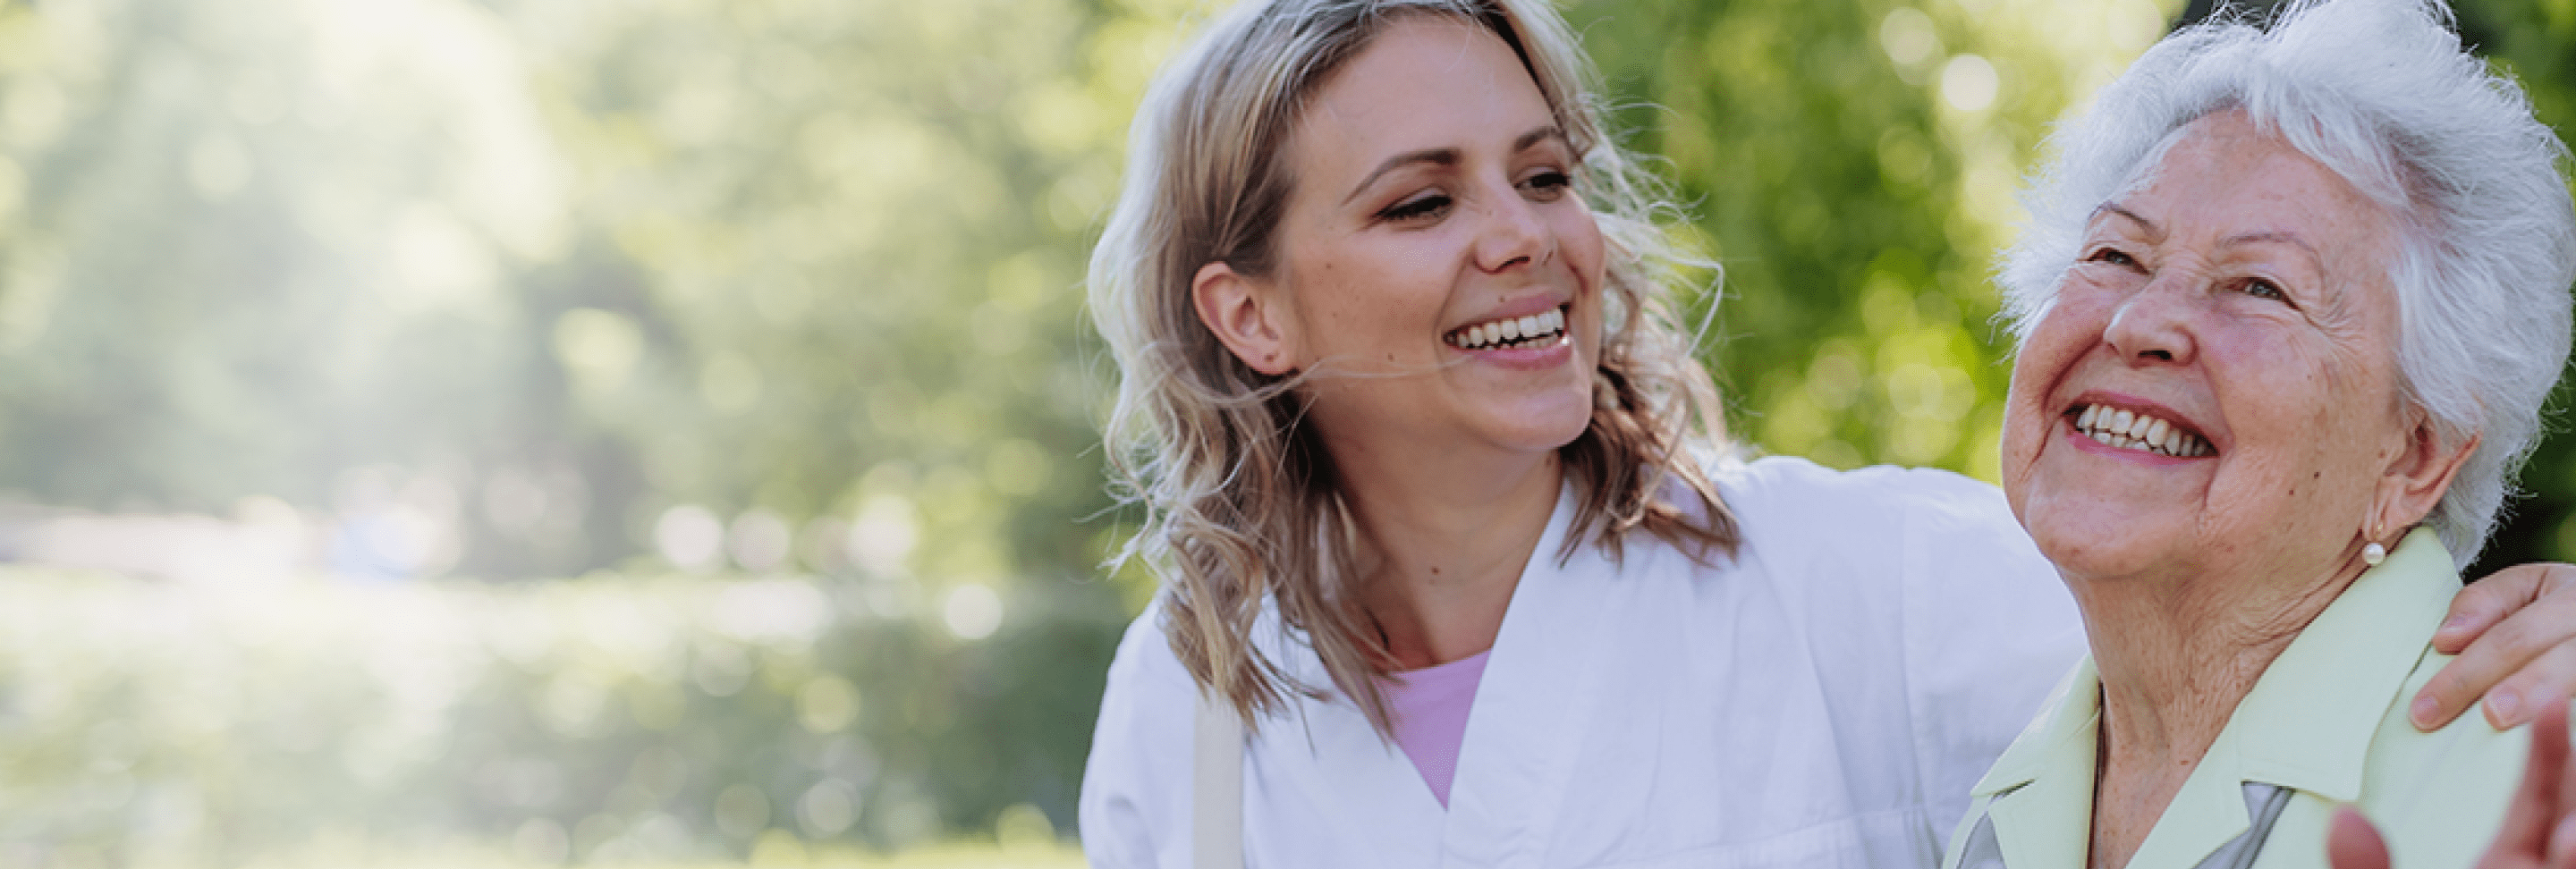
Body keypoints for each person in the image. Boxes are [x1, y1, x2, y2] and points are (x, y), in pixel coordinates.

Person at [1077, 1, 2576, 866]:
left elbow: (2243, 600)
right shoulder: (1190, 696)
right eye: (1421, 200)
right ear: (1248, 315)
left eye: (1545, 176)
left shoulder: (1874, 575)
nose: (1525, 237)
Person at [1942, 1, 2576, 867]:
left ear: (2414, 454)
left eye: (2259, 286)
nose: (2139, 321)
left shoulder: (2540, 768)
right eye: (2114, 255)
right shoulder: (2003, 809)